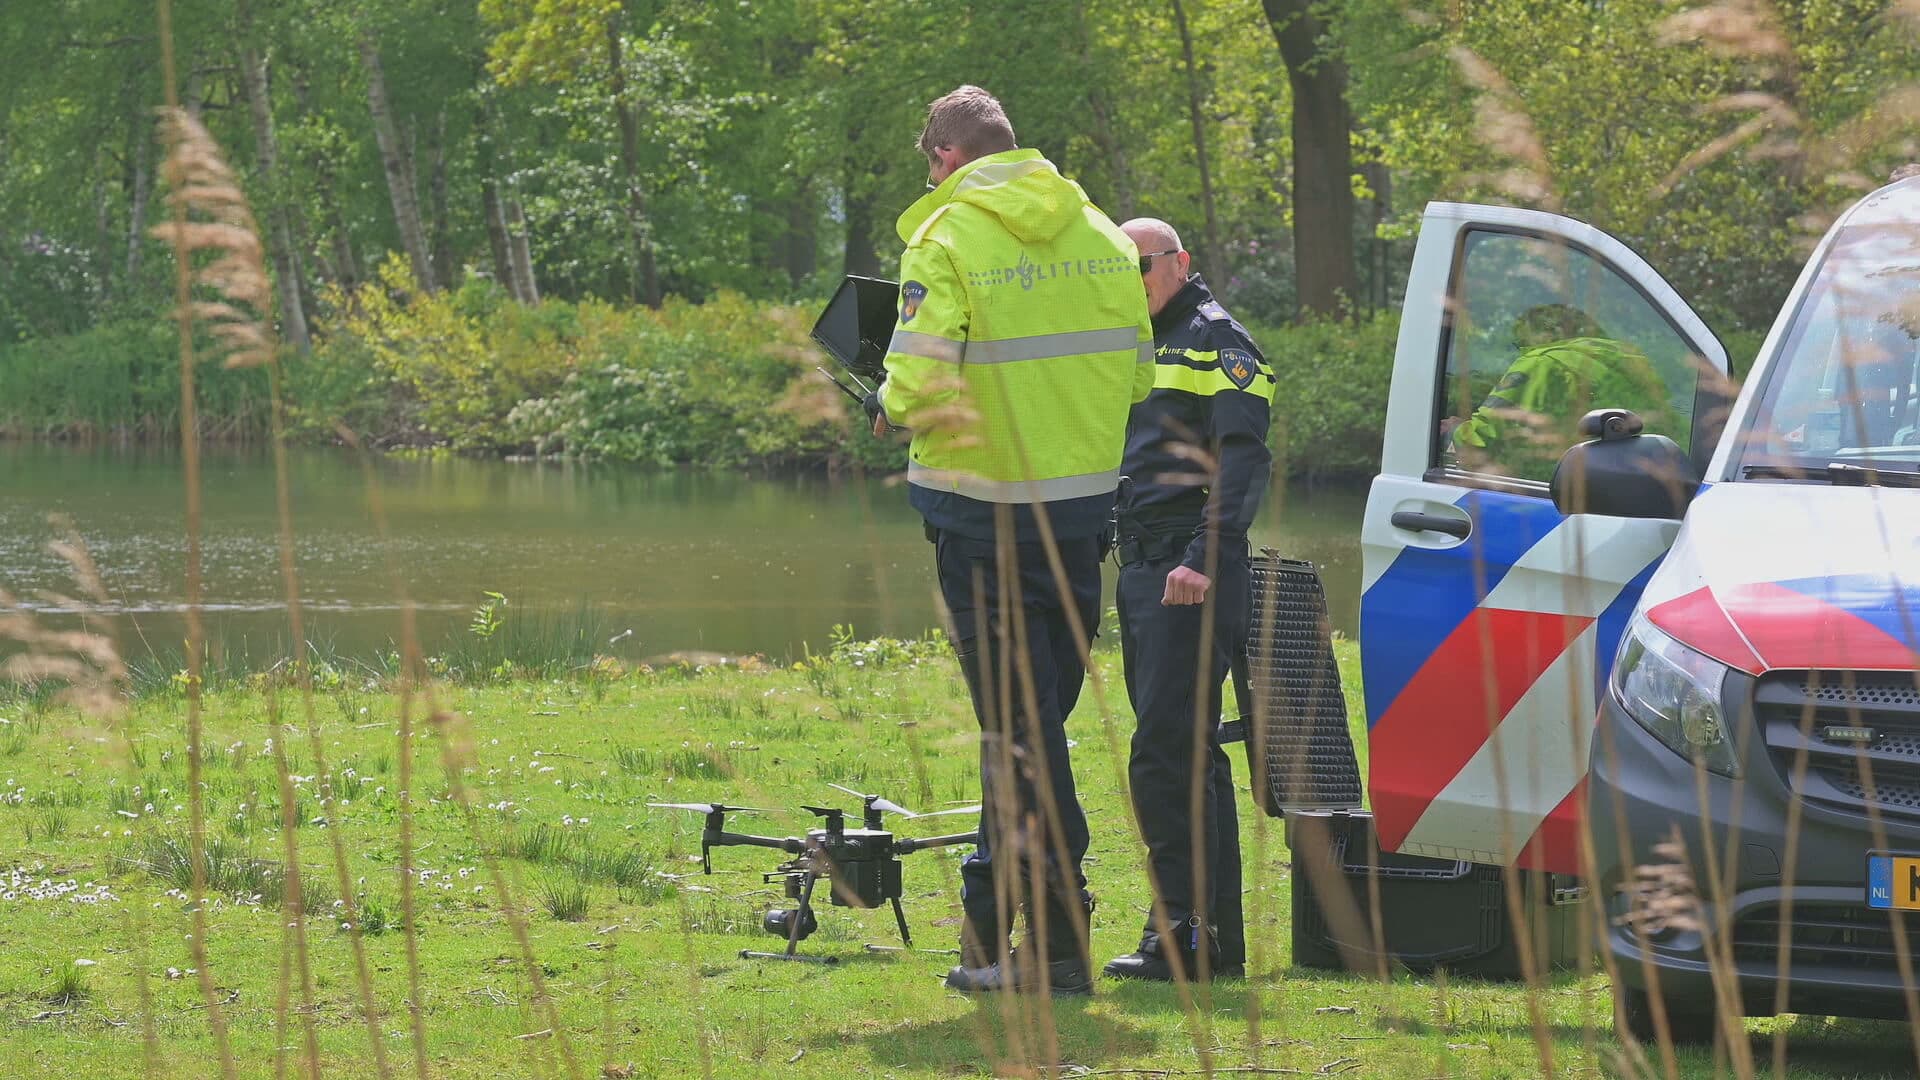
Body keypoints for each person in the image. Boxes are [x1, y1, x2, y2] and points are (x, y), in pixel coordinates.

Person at [867, 85, 1155, 996]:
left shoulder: (946, 237)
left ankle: (1059, 940)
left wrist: (887, 404)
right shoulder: (1108, 238)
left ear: (946, 159)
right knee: (1028, 726)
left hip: (977, 515)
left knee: (1016, 730)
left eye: (929, 162)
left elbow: (913, 383)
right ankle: (991, 930)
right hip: (1079, 518)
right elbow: (1139, 375)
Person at [1104, 218, 1273, 982]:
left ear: (1180, 261)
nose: (1131, 278)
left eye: (1140, 265)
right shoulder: (1129, 341)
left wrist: (1203, 556)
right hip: (1142, 569)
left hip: (1188, 570)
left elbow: (1242, 462)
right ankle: (1202, 936)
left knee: (1168, 754)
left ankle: (1184, 933)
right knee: (1179, 753)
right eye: (1117, 267)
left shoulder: (1218, 340)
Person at [1450, 304, 1679, 483]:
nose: (1522, 348)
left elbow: (1481, 439)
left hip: (1552, 497)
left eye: (1522, 339)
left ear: (1549, 332)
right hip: (1636, 488)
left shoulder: (1541, 363)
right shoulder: (1626, 363)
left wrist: (1452, 431)